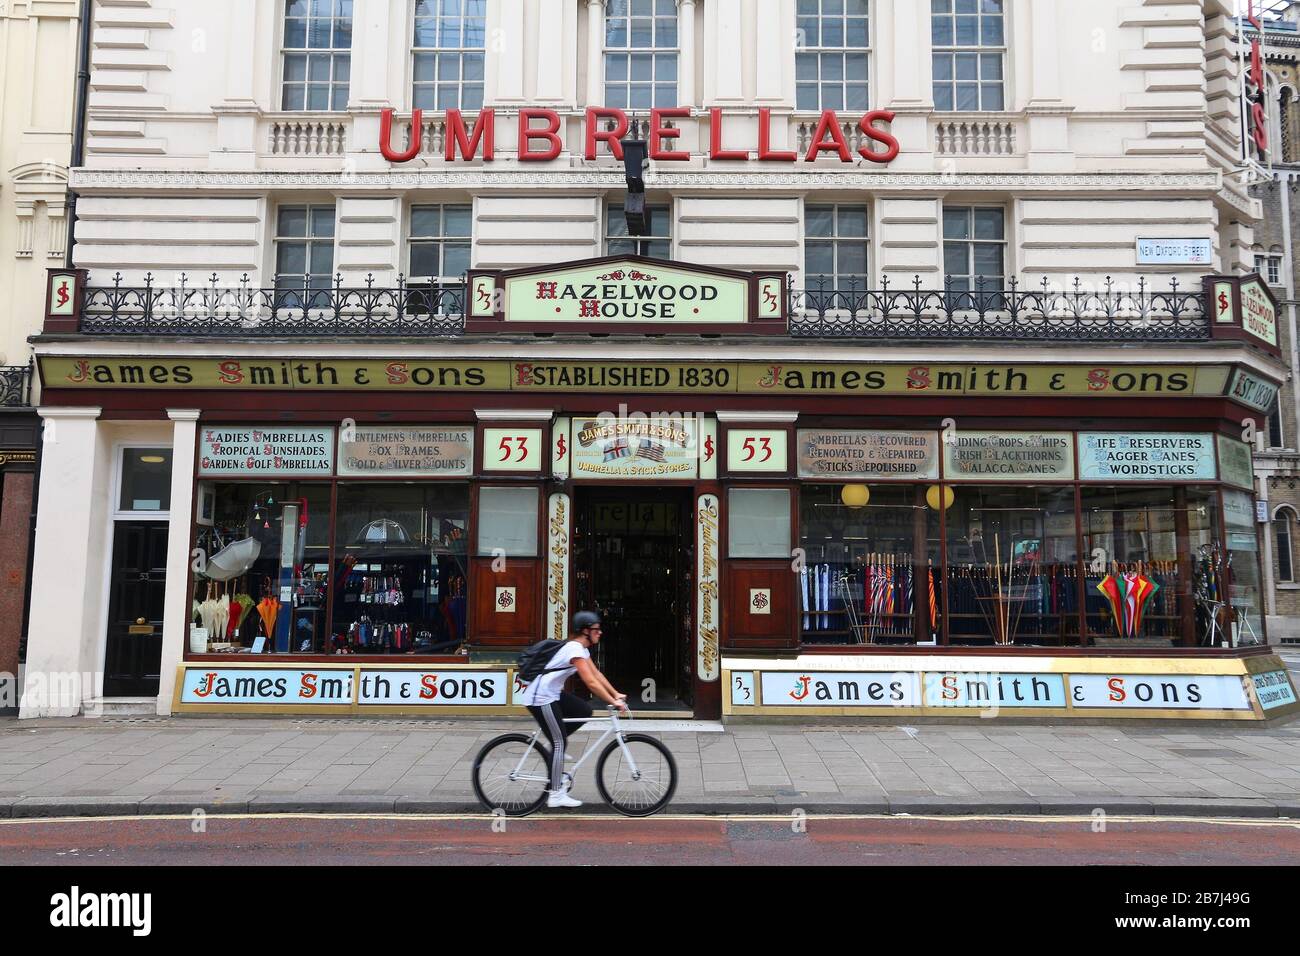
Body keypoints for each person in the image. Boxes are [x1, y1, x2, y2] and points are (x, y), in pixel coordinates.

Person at [518, 610, 627, 808]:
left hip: (552, 694)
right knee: (560, 742)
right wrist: (612, 701)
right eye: (596, 629)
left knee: (584, 711)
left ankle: (555, 748)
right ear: (585, 631)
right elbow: (590, 683)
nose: (600, 632)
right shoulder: (574, 649)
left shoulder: (581, 649)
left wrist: (615, 693)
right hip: (540, 698)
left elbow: (597, 675)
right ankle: (555, 794)